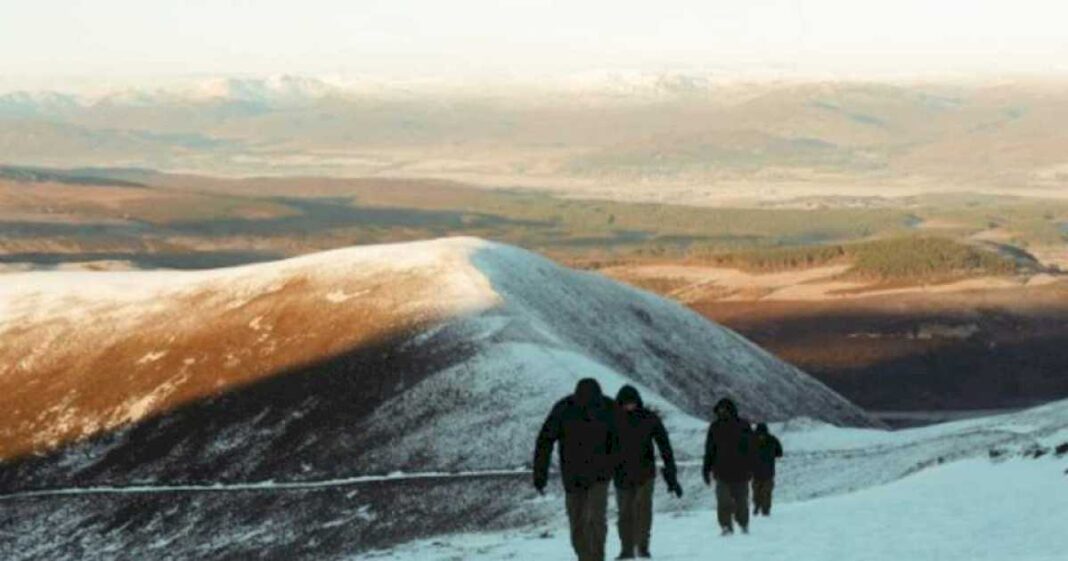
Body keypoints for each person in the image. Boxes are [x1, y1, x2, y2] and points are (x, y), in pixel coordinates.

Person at [534, 378, 621, 561]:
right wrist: (540, 474)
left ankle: (595, 558)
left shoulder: (608, 408)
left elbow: (624, 439)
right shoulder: (565, 408)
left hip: (599, 476)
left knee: (594, 519)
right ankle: (585, 557)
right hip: (575, 477)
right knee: (579, 523)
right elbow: (545, 440)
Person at [612, 385, 683, 559]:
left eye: (632, 403)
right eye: (625, 404)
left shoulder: (649, 419)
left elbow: (665, 447)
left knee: (643, 510)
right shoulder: (611, 420)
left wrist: (671, 476)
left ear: (638, 402)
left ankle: (642, 546)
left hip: (645, 473)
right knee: (624, 513)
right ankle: (627, 549)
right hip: (621, 475)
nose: (629, 407)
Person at [701, 398, 753, 536]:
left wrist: (753, 466)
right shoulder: (715, 427)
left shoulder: (743, 425)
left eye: (724, 409)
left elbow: (752, 448)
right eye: (719, 410)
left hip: (741, 472)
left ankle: (743, 524)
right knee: (723, 500)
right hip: (721, 472)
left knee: (741, 501)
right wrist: (706, 469)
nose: (722, 412)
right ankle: (725, 526)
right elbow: (709, 450)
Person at [750, 423, 783, 517]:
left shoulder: (752, 440)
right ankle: (765, 510)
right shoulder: (772, 440)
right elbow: (779, 453)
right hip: (768, 471)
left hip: (756, 472)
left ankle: (758, 507)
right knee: (766, 492)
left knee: (757, 492)